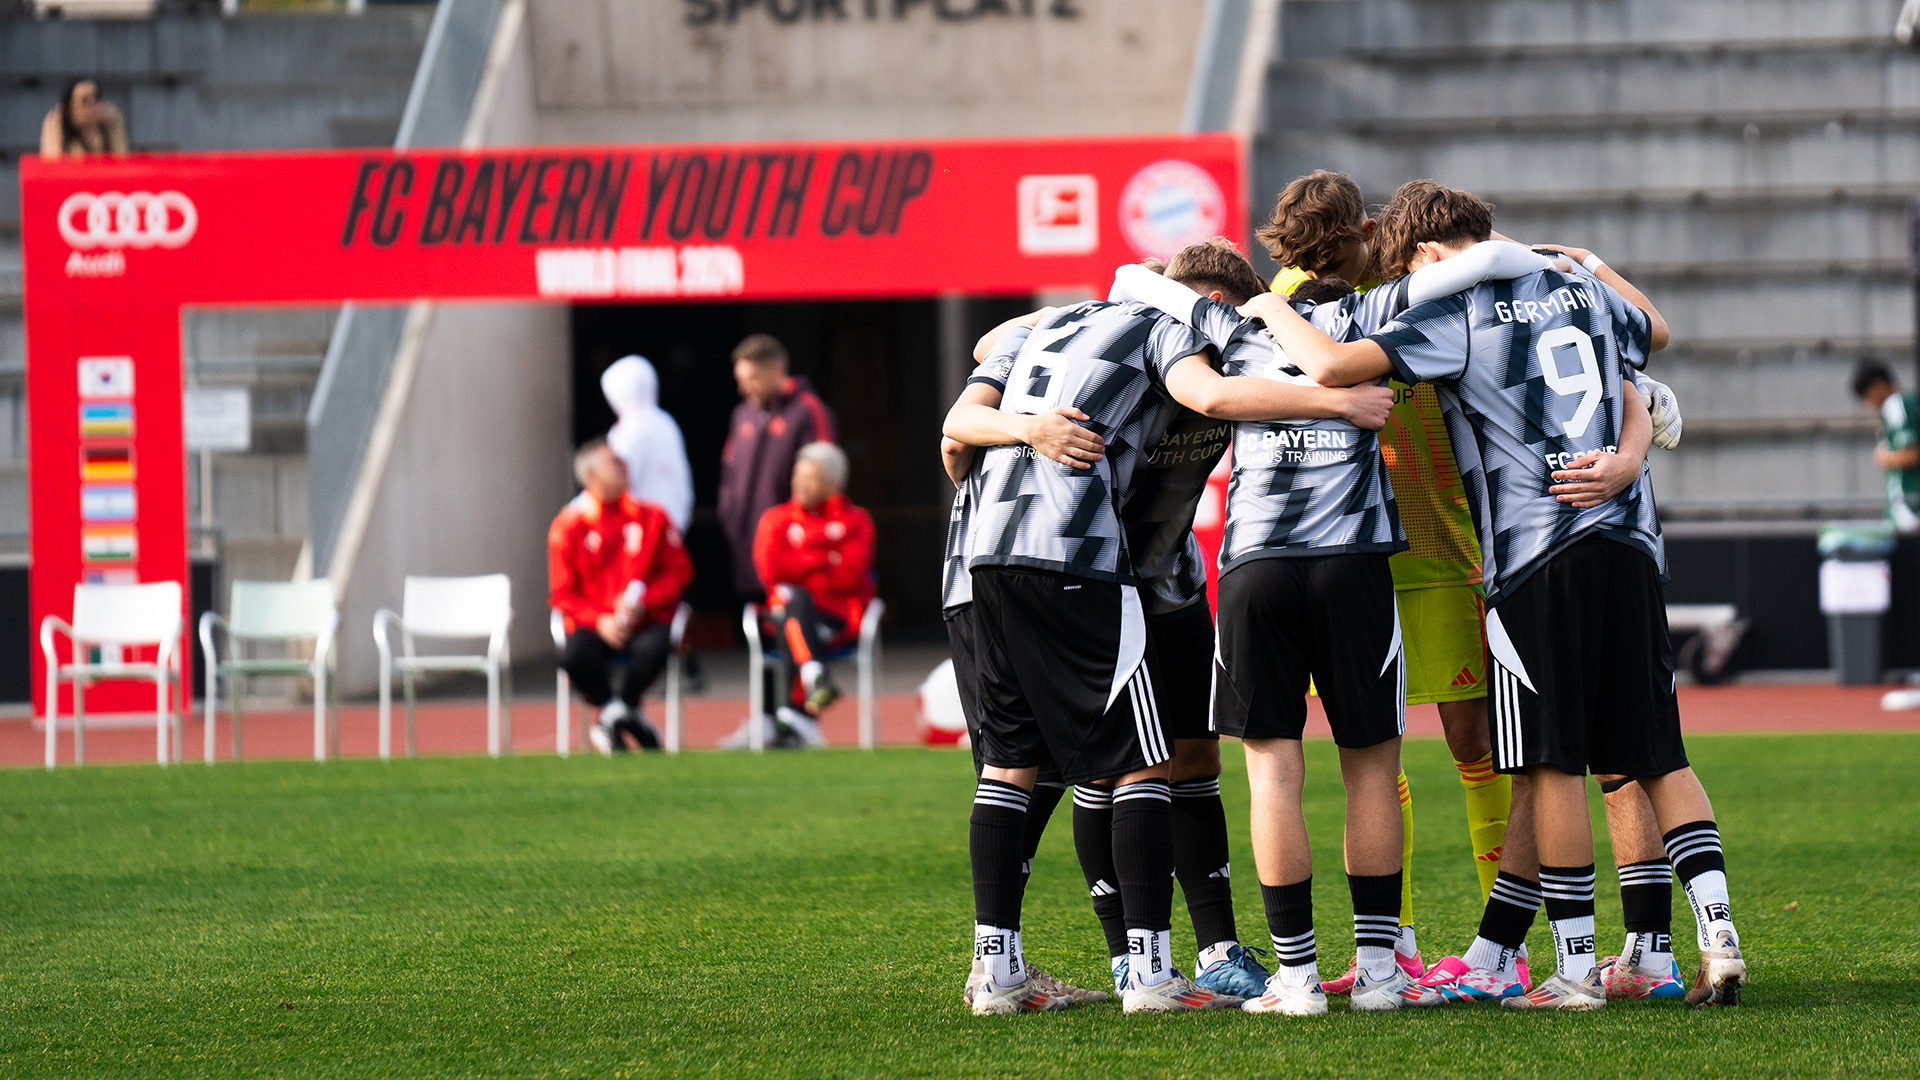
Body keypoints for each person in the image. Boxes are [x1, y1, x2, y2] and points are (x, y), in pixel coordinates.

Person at [1248, 179, 1747, 1011]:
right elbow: (1651, 336)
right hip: (1629, 539)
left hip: (1533, 552)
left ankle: (1575, 969)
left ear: (1429, 257)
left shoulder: (1453, 309)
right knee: (1657, 754)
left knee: (1547, 763)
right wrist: (1589, 265)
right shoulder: (1581, 285)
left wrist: (1266, 311)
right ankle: (1717, 935)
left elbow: (1333, 365)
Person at [549, 440, 695, 754]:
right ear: (591, 475)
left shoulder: (652, 517)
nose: (624, 465)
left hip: (643, 620)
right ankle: (625, 716)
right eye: (614, 462)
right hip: (596, 624)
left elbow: (679, 572)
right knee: (573, 657)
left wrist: (646, 602)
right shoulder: (570, 525)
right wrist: (599, 620)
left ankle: (615, 716)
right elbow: (562, 594)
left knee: (655, 647)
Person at [745, 442, 875, 749]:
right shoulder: (775, 519)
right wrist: (825, 557)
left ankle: (785, 718)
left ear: (832, 484)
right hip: (786, 616)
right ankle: (806, 692)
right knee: (795, 607)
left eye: (810, 477)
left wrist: (801, 562)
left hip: (836, 618)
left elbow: (851, 573)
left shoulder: (856, 521)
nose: (799, 484)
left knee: (793, 610)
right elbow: (770, 571)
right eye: (796, 476)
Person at [718, 334, 837, 601]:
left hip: (795, 555)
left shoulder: (808, 410)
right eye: (741, 380)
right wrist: (730, 517)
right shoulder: (742, 415)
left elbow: (825, 479)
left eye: (751, 379)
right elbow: (728, 474)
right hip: (747, 548)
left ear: (776, 371)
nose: (743, 388)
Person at [601, 355, 693, 533]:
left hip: (639, 530)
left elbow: (615, 481)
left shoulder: (630, 428)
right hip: (673, 525)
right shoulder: (665, 422)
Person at [1851, 358, 1920, 532]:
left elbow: (1911, 453)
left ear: (1878, 385)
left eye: (1866, 395)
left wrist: (1884, 457)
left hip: (1908, 512)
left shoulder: (1896, 405)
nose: (1866, 404)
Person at [40, 78, 128, 161]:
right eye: (84, 100)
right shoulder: (58, 118)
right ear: (71, 106)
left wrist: (114, 124)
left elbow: (121, 160)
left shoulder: (109, 119)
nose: (92, 105)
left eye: (96, 98)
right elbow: (52, 162)